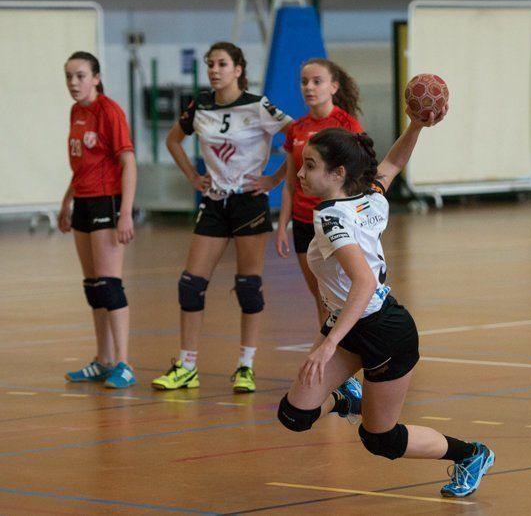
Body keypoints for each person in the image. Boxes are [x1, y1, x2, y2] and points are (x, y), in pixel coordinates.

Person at [275, 110, 495, 498]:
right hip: (353, 323)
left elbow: (361, 282)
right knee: (294, 415)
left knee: (381, 439)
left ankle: (471, 454)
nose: (301, 175)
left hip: (384, 333)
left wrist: (328, 344)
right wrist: (416, 125)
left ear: (338, 173)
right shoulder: (369, 197)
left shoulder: (330, 217)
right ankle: (344, 398)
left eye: (310, 166)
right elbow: (393, 162)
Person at [150, 42, 290, 393]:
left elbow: (298, 140)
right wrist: (192, 178)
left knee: (248, 287)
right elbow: (173, 141)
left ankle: (246, 366)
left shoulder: (258, 106)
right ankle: (187, 365)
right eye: (210, 64)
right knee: (191, 285)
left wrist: (273, 178)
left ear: (238, 69)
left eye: (222, 64)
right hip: (214, 201)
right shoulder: (200, 104)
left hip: (249, 203)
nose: (214, 70)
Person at [60, 51, 138, 389]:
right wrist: (66, 201)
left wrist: (125, 213)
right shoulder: (76, 112)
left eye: (79, 75)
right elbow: (82, 166)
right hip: (83, 202)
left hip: (108, 202)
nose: (73, 83)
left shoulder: (109, 111)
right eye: (68, 77)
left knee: (109, 284)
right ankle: (103, 360)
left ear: (95, 77)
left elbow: (128, 162)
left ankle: (124, 363)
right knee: (93, 287)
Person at [276, 59, 364, 327]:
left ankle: (349, 351)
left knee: (344, 294)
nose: (309, 87)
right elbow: (291, 182)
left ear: (334, 86)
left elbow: (361, 177)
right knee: (321, 298)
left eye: (317, 81)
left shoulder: (347, 125)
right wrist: (282, 226)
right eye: (304, 82)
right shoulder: (296, 129)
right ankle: (335, 361)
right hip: (304, 222)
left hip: (337, 219)